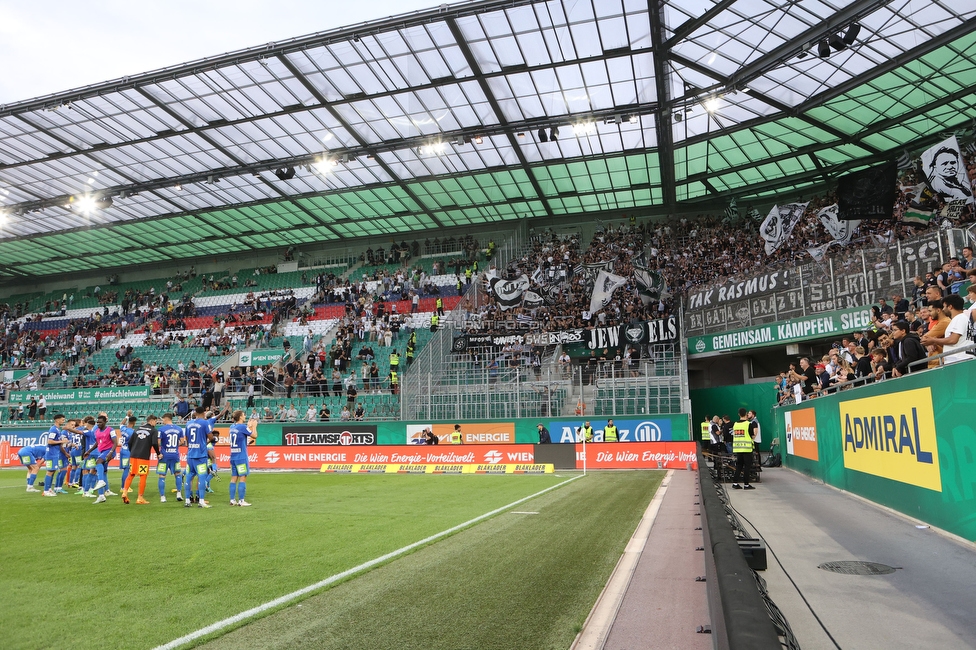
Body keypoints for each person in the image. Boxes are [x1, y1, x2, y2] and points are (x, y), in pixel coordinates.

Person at [121, 415, 160, 505]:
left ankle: (125, 492)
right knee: (143, 476)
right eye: (156, 421)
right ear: (152, 421)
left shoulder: (137, 429)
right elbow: (154, 443)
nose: (156, 423)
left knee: (131, 474)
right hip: (143, 457)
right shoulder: (154, 430)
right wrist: (158, 453)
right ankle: (140, 497)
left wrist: (132, 452)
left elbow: (130, 442)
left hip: (133, 455)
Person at [183, 407, 216, 508]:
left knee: (189, 477)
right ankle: (201, 501)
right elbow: (211, 437)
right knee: (202, 477)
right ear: (204, 413)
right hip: (200, 455)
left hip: (190, 455)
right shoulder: (205, 423)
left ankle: (187, 500)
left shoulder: (188, 423)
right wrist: (211, 440)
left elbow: (187, 439)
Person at [926, 294, 972, 364]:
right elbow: (954, 342)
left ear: (950, 307)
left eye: (944, 307)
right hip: (958, 359)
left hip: (960, 359)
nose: (943, 309)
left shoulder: (959, 318)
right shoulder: (959, 318)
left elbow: (953, 340)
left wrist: (933, 340)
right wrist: (936, 342)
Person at [228, 410, 258, 507]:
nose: (245, 416)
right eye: (244, 415)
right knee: (243, 477)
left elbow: (242, 433)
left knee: (233, 478)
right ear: (240, 417)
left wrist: (248, 427)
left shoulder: (232, 427)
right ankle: (241, 500)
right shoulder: (242, 427)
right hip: (241, 457)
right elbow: (254, 436)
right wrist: (253, 426)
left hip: (233, 456)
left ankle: (232, 500)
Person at [156, 413, 185, 503]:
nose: (162, 421)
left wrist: (160, 451)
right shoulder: (179, 429)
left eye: (163, 419)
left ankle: (163, 497)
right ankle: (179, 493)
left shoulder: (161, 429)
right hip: (175, 455)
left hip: (164, 455)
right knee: (178, 474)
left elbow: (158, 442)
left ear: (166, 419)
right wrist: (175, 447)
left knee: (162, 476)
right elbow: (182, 441)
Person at [90, 414, 118, 504]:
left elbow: (115, 442)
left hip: (110, 451)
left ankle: (101, 482)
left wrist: (110, 452)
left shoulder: (110, 430)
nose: (98, 424)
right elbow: (97, 443)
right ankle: (101, 495)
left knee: (98, 462)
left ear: (105, 422)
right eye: (97, 422)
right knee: (102, 472)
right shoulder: (97, 431)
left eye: (100, 422)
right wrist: (89, 451)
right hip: (103, 452)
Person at [41, 414, 69, 496]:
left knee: (52, 471)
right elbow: (50, 441)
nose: (63, 421)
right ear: (57, 420)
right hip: (51, 453)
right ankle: (46, 491)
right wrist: (61, 441)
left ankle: (49, 489)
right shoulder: (53, 429)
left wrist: (65, 452)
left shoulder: (58, 430)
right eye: (62, 419)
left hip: (55, 453)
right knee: (50, 471)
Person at [730, 408, 757, 490]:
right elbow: (752, 436)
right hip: (747, 449)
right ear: (745, 414)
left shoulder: (735, 424)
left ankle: (735, 483)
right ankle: (746, 484)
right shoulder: (748, 424)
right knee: (747, 467)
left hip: (738, 448)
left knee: (739, 466)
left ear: (738, 414)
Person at [117, 415, 136, 497]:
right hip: (128, 452)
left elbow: (121, 423)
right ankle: (124, 487)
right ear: (134, 423)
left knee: (125, 469)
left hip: (122, 450)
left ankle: (123, 486)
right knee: (127, 469)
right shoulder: (132, 432)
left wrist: (126, 416)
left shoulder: (123, 429)